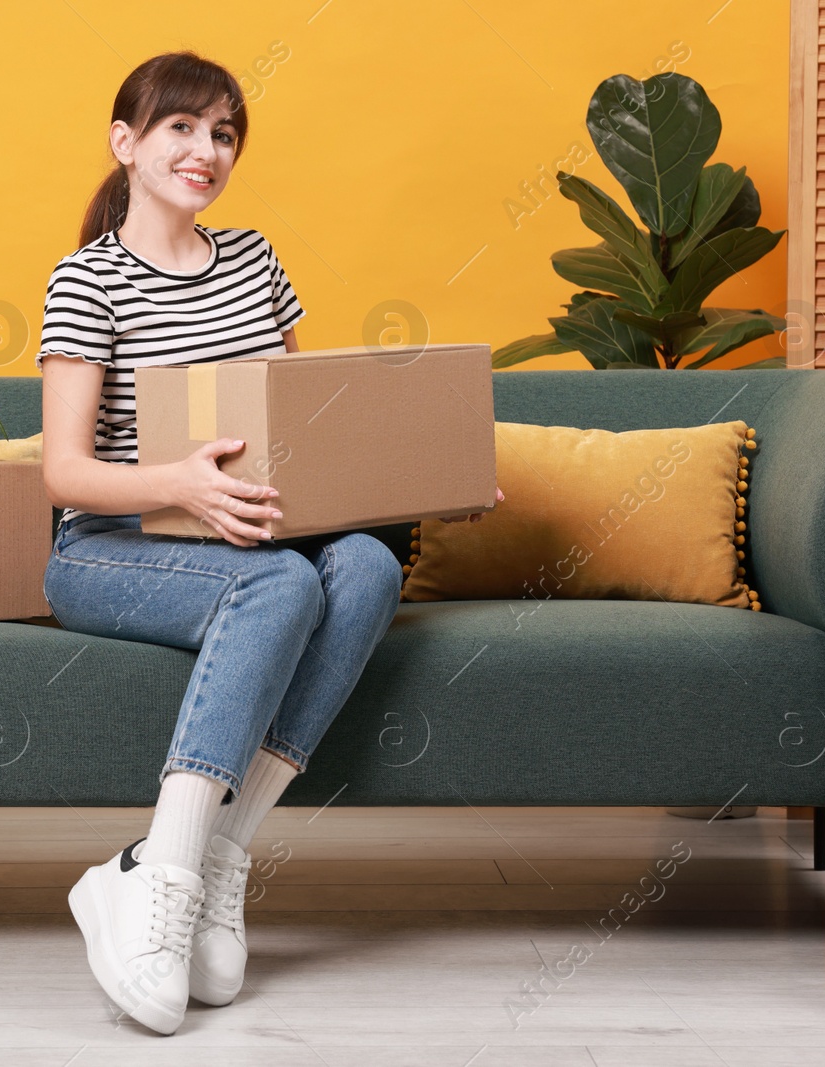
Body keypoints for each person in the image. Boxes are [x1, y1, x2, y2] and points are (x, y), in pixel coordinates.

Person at [36, 50, 501, 1035]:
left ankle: (220, 852)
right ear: (125, 142)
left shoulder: (253, 262)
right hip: (109, 545)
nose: (206, 150)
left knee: (368, 562)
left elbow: (312, 425)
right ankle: (157, 873)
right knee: (278, 588)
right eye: (182, 127)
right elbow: (63, 473)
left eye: (223, 133)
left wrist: (430, 473)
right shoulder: (87, 281)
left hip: (247, 534)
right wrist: (179, 483)